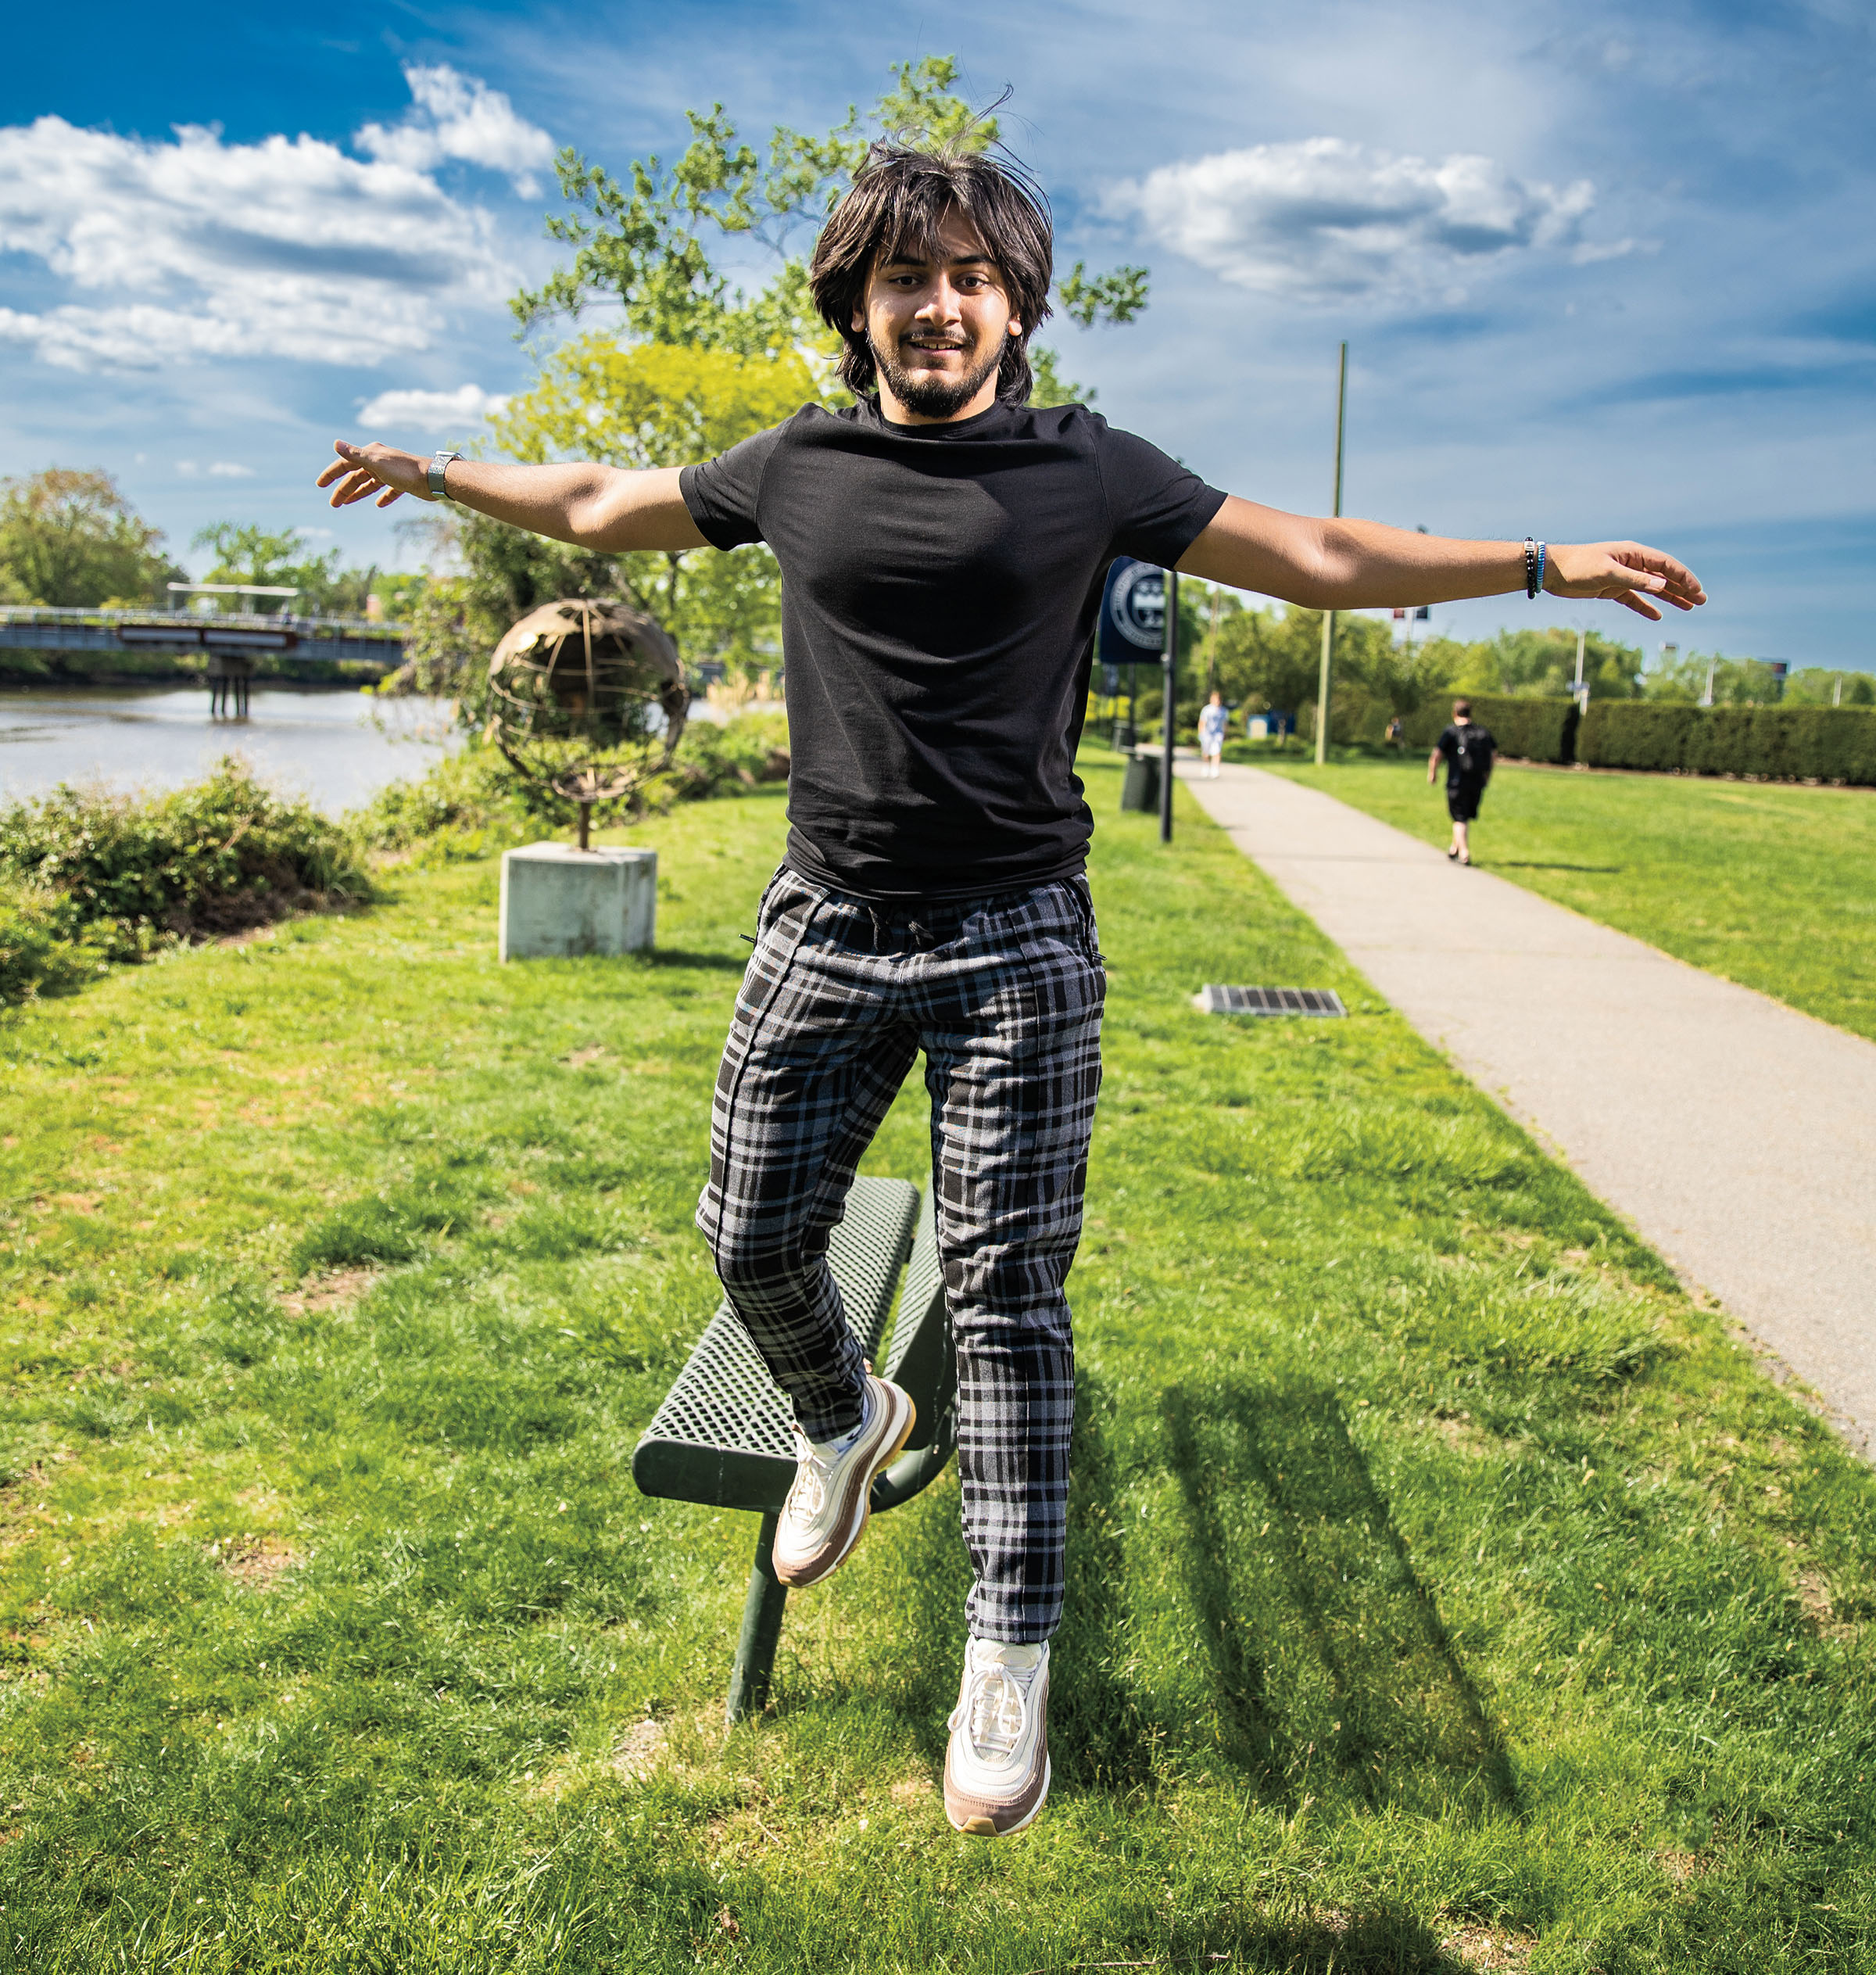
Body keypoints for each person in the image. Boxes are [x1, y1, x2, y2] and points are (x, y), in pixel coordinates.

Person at [316, 139, 1703, 1840]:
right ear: (859, 305)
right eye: (907, 278)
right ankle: (841, 1418)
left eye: (973, 276)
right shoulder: (797, 464)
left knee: (1006, 1300)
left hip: (1018, 945)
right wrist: (437, 473)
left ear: (1018, 306)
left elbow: (1325, 558)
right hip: (824, 921)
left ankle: (1008, 1647)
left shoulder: (1089, 468)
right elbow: (608, 506)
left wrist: (1547, 565)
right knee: (747, 1230)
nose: (940, 304)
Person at [1430, 697, 1495, 864]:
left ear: (1455, 713)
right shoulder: (1482, 733)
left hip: (1456, 781)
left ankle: (1464, 853)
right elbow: (1493, 756)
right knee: (1464, 816)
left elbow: (1437, 754)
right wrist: (1487, 776)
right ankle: (1454, 848)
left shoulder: (1451, 732)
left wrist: (1433, 773)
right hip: (1477, 782)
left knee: (1459, 818)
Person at [1198, 690, 1229, 778]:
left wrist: (1226, 733)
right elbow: (1202, 722)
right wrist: (1201, 733)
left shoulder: (1223, 711)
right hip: (1207, 734)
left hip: (1218, 734)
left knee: (1217, 751)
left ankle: (1215, 769)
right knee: (1206, 752)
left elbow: (1225, 723)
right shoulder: (1207, 710)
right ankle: (1206, 767)